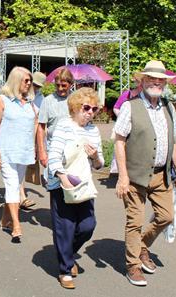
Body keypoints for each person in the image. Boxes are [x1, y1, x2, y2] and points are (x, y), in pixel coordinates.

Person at [114, 60, 176, 286]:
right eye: (151, 79)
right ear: (142, 81)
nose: (156, 82)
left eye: (160, 80)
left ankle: (142, 246)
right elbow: (119, 141)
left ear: (164, 83)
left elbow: (172, 142)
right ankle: (133, 265)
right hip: (135, 176)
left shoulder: (169, 107)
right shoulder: (130, 106)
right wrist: (123, 176)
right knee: (134, 221)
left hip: (161, 175)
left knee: (166, 216)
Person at [48, 87, 104, 289]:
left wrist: (95, 156)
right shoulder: (64, 126)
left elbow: (100, 164)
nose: (90, 112)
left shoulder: (93, 130)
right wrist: (62, 177)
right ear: (75, 107)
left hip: (84, 185)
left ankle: (68, 253)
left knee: (88, 225)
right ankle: (65, 270)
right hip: (62, 184)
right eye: (86, 107)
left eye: (94, 109)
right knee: (65, 228)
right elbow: (53, 156)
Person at [0, 66, 36, 243]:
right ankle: (16, 225)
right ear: (16, 80)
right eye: (26, 80)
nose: (29, 83)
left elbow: (34, 126)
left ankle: (4, 220)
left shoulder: (30, 102)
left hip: (24, 152)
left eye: (30, 80)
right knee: (11, 187)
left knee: (16, 186)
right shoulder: (3, 100)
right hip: (7, 151)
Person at [37, 67, 74, 187]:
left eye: (64, 85)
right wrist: (42, 152)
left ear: (71, 84)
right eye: (57, 85)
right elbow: (41, 127)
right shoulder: (48, 101)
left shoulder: (76, 100)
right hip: (53, 150)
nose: (60, 89)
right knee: (54, 187)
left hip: (72, 149)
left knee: (72, 187)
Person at [19, 71, 47, 210]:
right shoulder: (22, 95)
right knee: (19, 165)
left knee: (25, 165)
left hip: (34, 135)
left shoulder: (42, 99)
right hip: (20, 134)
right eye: (34, 84)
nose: (35, 87)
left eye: (38, 86)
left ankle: (19, 195)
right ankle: (21, 196)